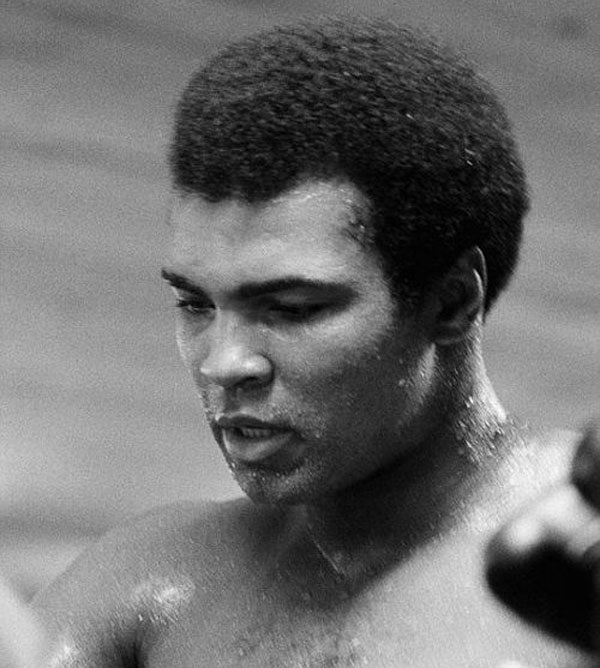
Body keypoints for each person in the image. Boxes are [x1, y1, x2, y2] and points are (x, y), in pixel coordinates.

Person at [32, 17, 595, 666]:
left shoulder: (578, 533)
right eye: (195, 303)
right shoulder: (155, 583)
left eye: (294, 309)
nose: (224, 363)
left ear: (452, 302)